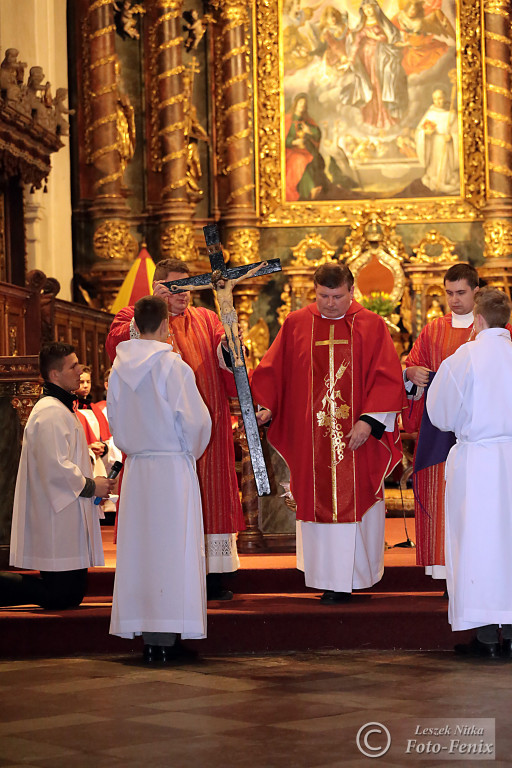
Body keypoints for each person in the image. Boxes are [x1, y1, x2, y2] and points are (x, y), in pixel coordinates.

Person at [251, 263, 404, 602]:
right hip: (313, 436)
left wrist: (370, 421)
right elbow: (275, 370)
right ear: (314, 291)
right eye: (323, 296)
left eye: (338, 296)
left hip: (357, 436)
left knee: (356, 498)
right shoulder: (296, 323)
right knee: (317, 498)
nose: (331, 304)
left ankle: (355, 576)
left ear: (352, 292)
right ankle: (327, 578)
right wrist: (267, 405)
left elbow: (387, 376)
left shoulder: (370, 324)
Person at [106, 258, 244, 601]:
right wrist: (151, 309)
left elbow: (230, 366)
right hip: (156, 436)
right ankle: (165, 573)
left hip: (205, 427)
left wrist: (229, 343)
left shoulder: (207, 319)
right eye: (178, 287)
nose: (186, 294)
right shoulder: (134, 316)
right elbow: (116, 346)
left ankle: (213, 576)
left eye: (191, 285)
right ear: (160, 286)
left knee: (210, 495)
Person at [107, 296, 211, 663]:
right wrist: (186, 452)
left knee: (142, 551)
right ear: (166, 326)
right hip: (170, 468)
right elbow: (196, 422)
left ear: (135, 325)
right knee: (173, 549)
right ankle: (168, 638)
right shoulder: (173, 367)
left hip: (137, 471)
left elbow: (115, 424)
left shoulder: (117, 370)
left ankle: (150, 638)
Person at [427, 288, 512, 657]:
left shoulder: (464, 358)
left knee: (477, 543)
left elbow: (440, 415)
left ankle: (487, 639)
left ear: (477, 320)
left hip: (477, 462)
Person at [0, 343, 113, 609]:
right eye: (72, 366)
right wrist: (91, 486)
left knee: (68, 595)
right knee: (62, 595)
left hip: (65, 512)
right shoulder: (50, 411)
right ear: (54, 375)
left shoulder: (61, 408)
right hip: (57, 515)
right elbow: (54, 467)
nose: (79, 370)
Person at [403, 263, 481, 585]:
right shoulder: (434, 329)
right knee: (441, 496)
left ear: (476, 290)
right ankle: (444, 571)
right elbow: (412, 362)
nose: (454, 300)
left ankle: (474, 572)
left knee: (473, 502)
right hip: (439, 434)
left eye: (461, 293)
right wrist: (412, 375)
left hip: (478, 432)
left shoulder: (491, 330)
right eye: (449, 293)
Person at [340, 0, 408, 129]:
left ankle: (385, 118)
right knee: (369, 84)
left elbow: (391, 38)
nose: (367, 11)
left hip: (381, 59)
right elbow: (355, 44)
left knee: (380, 85)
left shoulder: (383, 23)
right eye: (365, 9)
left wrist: (377, 38)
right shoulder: (361, 26)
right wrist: (350, 60)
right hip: (365, 59)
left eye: (369, 8)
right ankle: (371, 118)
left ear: (375, 8)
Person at [415, 88, 459, 195]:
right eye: (435, 99)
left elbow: (459, 132)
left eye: (440, 98)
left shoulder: (451, 114)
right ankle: (435, 181)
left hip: (446, 144)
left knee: (445, 165)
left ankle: (445, 180)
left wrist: (452, 137)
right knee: (435, 165)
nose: (437, 101)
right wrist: (425, 133)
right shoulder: (430, 113)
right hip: (434, 143)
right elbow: (419, 130)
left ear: (444, 98)